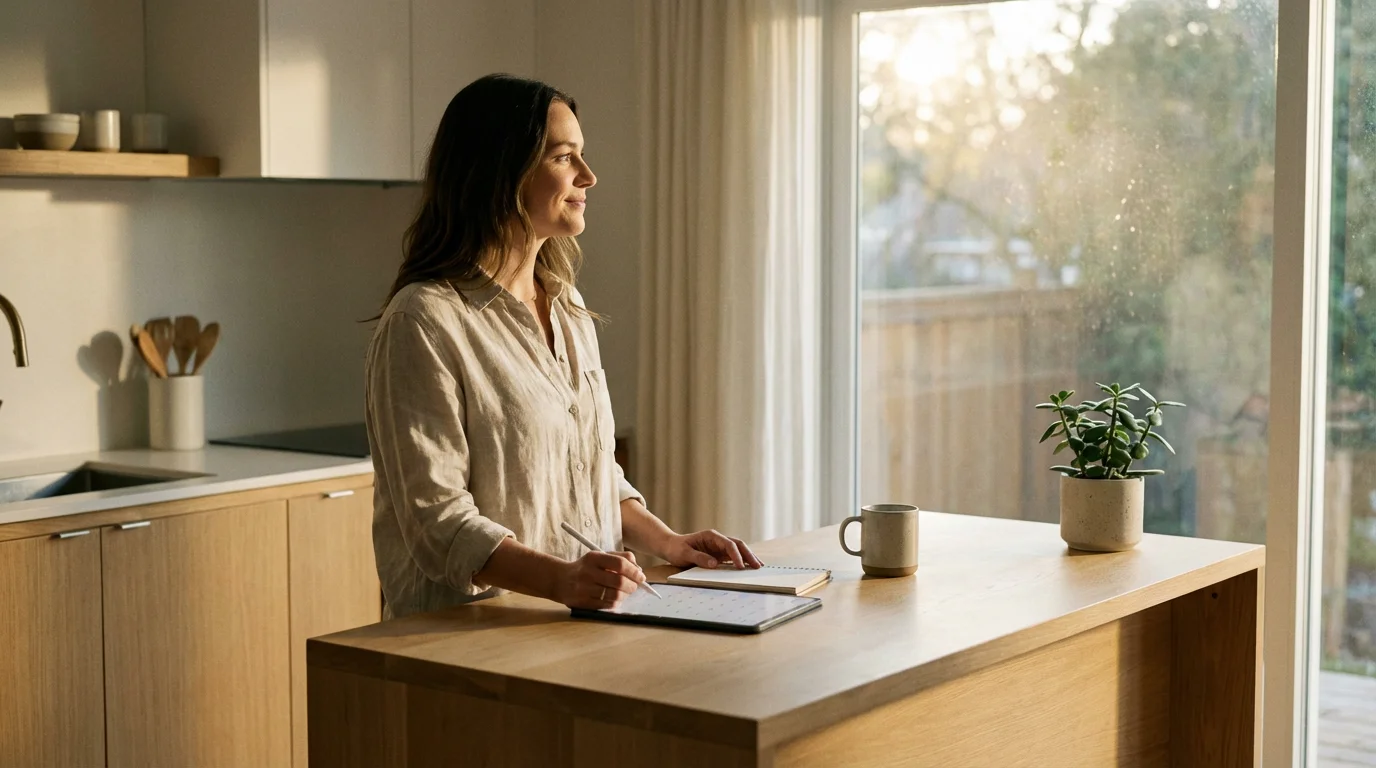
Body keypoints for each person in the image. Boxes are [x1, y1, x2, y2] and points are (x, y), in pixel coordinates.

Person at [365, 74, 762, 620]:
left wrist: (670, 543)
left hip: (578, 628)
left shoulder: (569, 308)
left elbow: (593, 470)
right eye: (564, 156)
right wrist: (564, 580)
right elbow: (437, 523)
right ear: (501, 172)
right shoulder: (424, 320)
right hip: (464, 646)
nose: (588, 176)